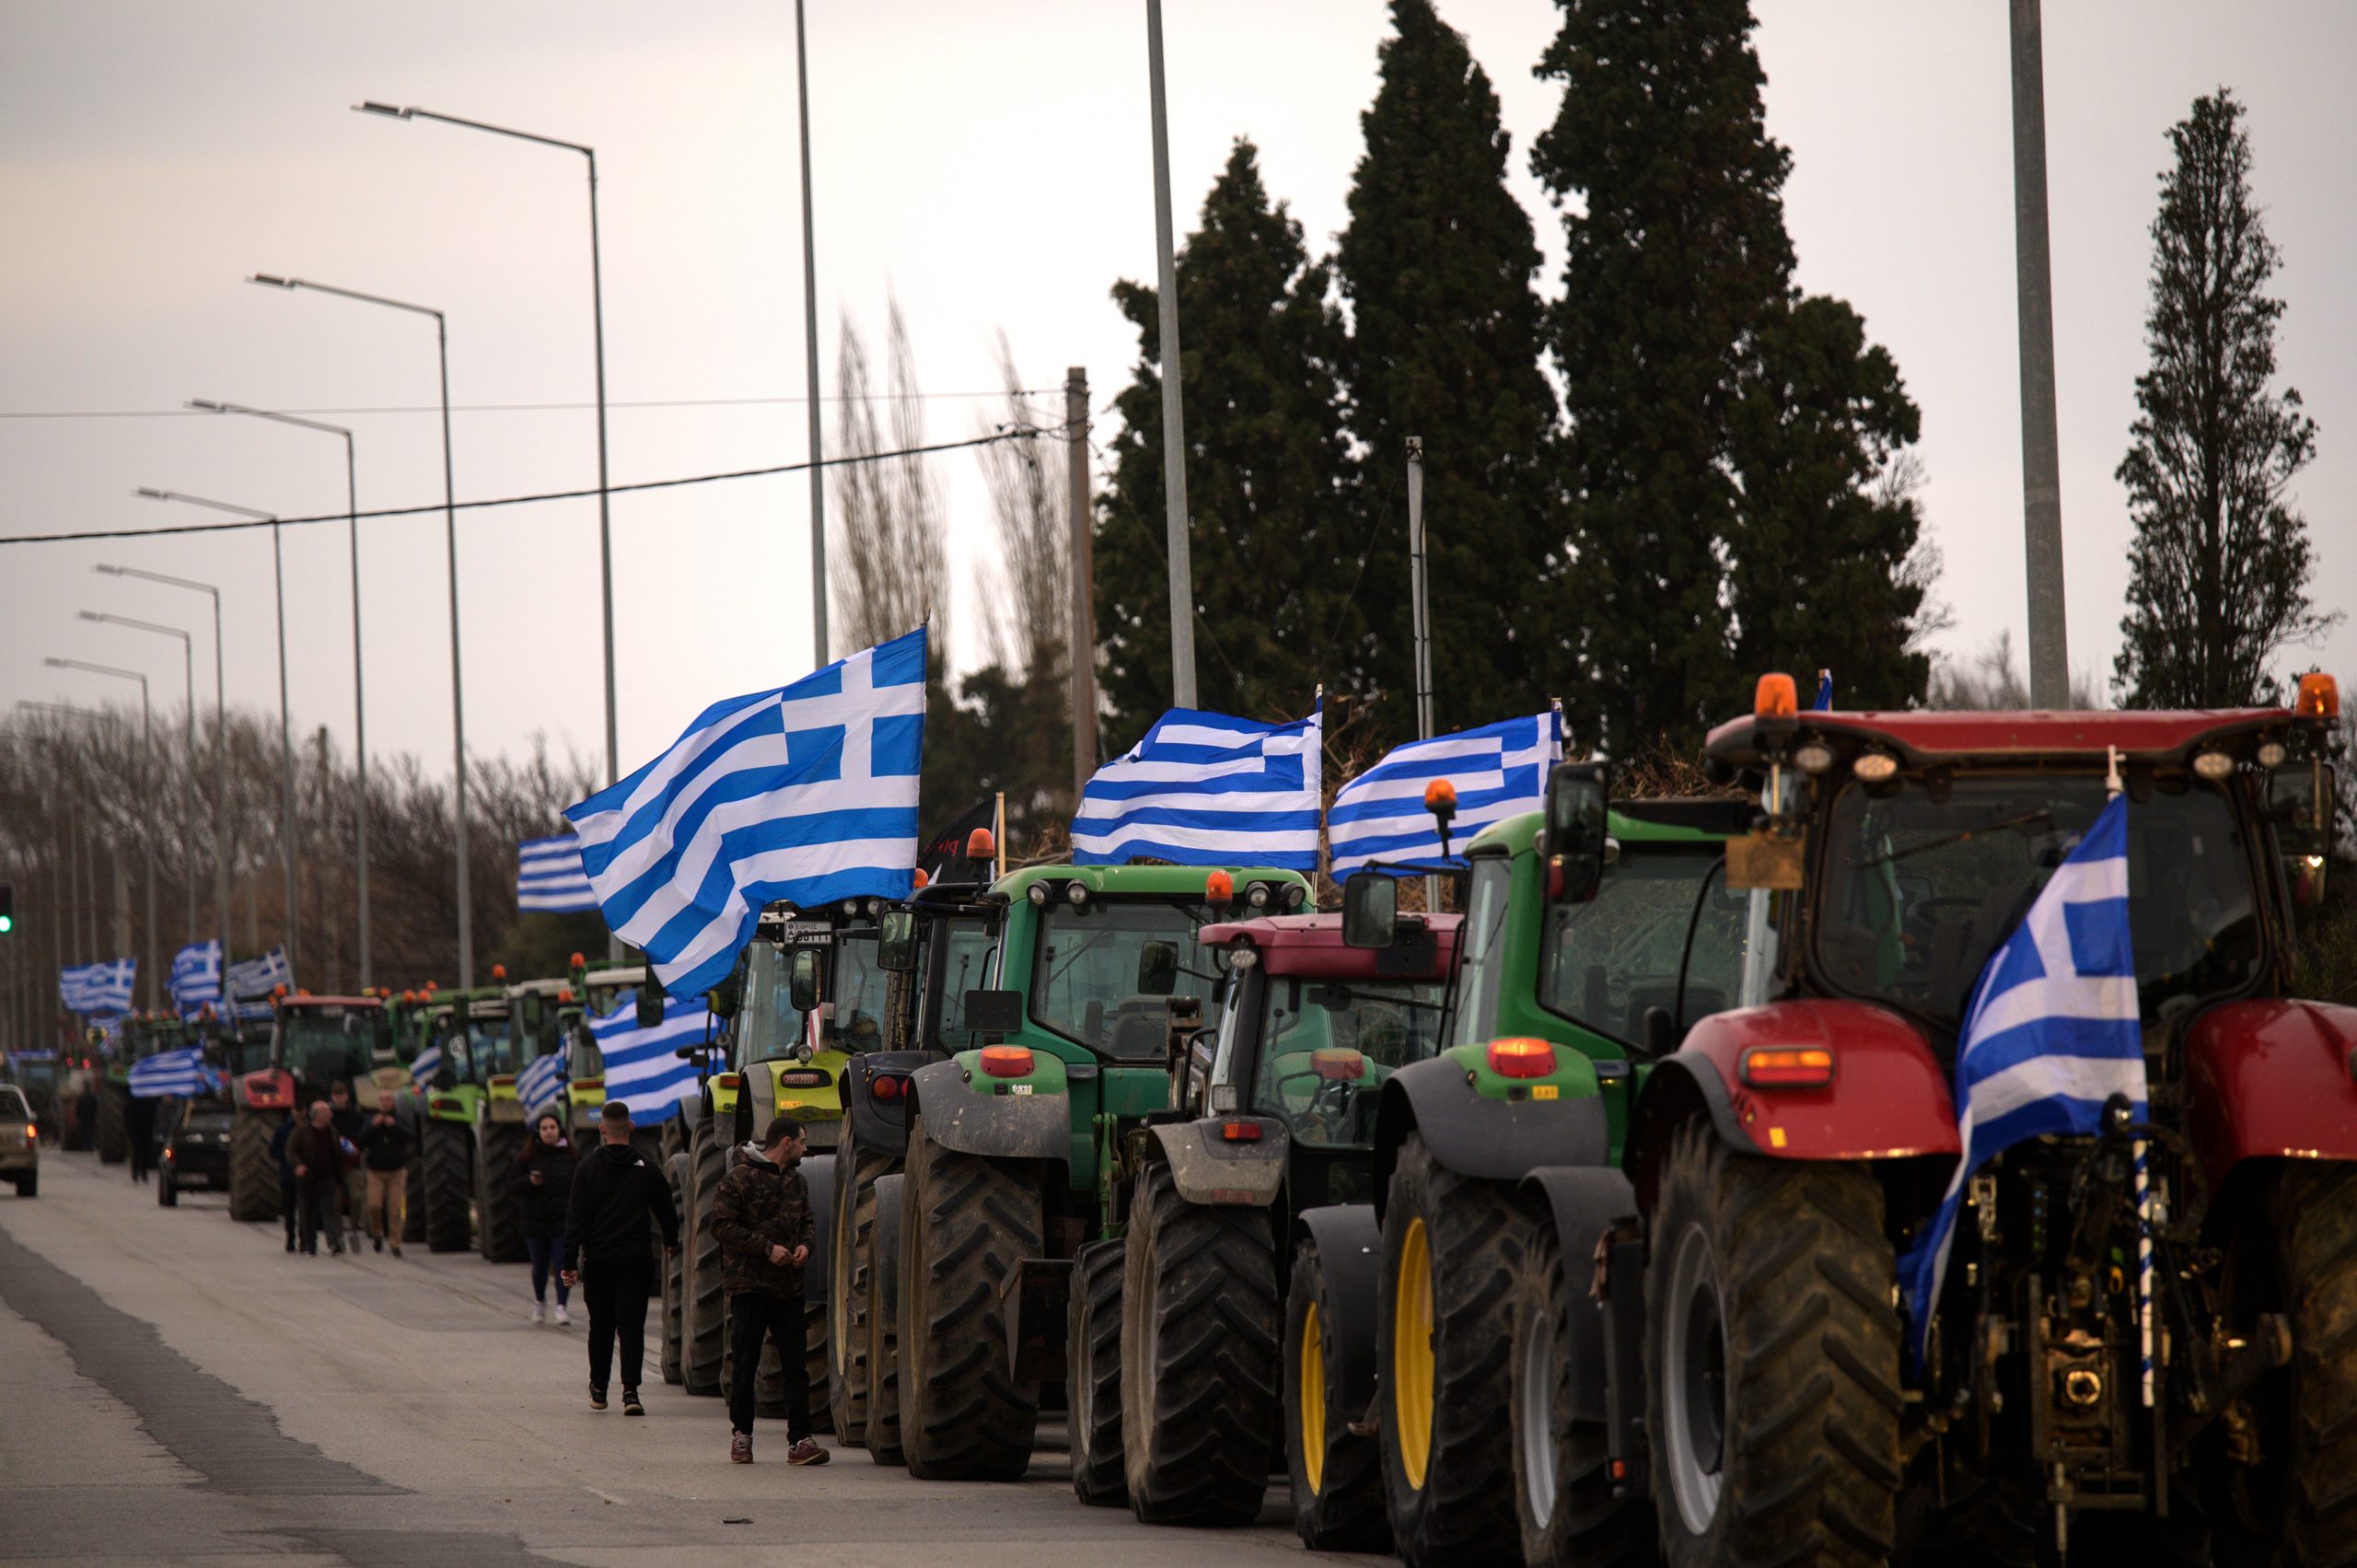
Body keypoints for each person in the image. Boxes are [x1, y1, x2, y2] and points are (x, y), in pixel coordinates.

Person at [711, 1115, 828, 1465]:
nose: (805, 1149)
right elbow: (720, 1226)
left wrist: (805, 1246)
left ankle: (800, 1441)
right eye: (802, 1142)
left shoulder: (797, 1182)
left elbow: (807, 1221)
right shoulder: (739, 1179)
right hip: (750, 1286)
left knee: (796, 1365)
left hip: (788, 1288)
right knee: (745, 1362)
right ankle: (742, 1436)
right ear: (786, 1142)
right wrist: (766, 1249)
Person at [561, 1101, 678, 1414]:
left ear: (602, 1129)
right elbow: (666, 1210)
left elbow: (576, 1219)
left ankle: (599, 1389)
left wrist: (569, 1262)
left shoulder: (586, 1168)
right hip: (636, 1260)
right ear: (631, 1128)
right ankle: (631, 1392)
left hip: (599, 1261)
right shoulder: (648, 1167)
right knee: (631, 1327)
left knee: (600, 1326)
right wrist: (670, 1241)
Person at [517, 1110, 578, 1326]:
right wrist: (529, 1182)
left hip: (561, 1221)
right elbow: (511, 1185)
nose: (549, 1132)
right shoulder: (528, 1157)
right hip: (535, 1221)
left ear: (559, 1130)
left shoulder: (571, 1156)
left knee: (563, 1263)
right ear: (538, 1132)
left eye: (552, 1128)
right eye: (544, 1128)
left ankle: (562, 1305)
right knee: (539, 1265)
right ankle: (539, 1301)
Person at [357, 1090, 413, 1256]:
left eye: (387, 1100)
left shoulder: (400, 1120)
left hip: (396, 1171)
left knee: (395, 1209)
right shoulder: (370, 1120)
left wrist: (394, 1126)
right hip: (375, 1171)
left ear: (393, 1103)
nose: (384, 1103)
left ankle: (395, 1243)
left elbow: (411, 1137)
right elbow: (359, 1140)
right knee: (374, 1205)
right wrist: (371, 1127)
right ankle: (377, 1234)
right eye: (381, 1100)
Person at [289, 1100, 348, 1256]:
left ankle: (334, 1243)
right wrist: (298, 1165)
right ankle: (309, 1244)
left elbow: (339, 1152)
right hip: (308, 1180)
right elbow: (291, 1151)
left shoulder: (333, 1132)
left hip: (328, 1179)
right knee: (308, 1213)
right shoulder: (302, 1132)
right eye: (327, 1112)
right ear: (317, 1116)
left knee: (330, 1212)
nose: (331, 1115)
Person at [327, 1082, 367, 1249]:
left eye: (341, 1095)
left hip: (353, 1164)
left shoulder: (356, 1116)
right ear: (332, 1097)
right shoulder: (328, 1117)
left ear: (347, 1097)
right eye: (336, 1096)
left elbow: (364, 1135)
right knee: (335, 1202)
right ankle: (338, 1234)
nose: (339, 1099)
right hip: (334, 1165)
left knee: (357, 1197)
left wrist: (357, 1147)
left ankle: (354, 1229)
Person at [268, 1113, 301, 1252]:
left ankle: (305, 1239)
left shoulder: (309, 1129)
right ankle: (291, 1236)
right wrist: (288, 1158)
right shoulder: (283, 1130)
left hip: (305, 1177)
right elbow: (273, 1151)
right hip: (288, 1176)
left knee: (306, 1209)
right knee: (290, 1209)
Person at [127, 1092, 158, 1184]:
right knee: (143, 1151)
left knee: (139, 1150)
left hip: (140, 1129)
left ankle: (138, 1172)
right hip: (143, 1129)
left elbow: (127, 1113)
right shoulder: (149, 1099)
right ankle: (140, 1173)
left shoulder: (134, 1098)